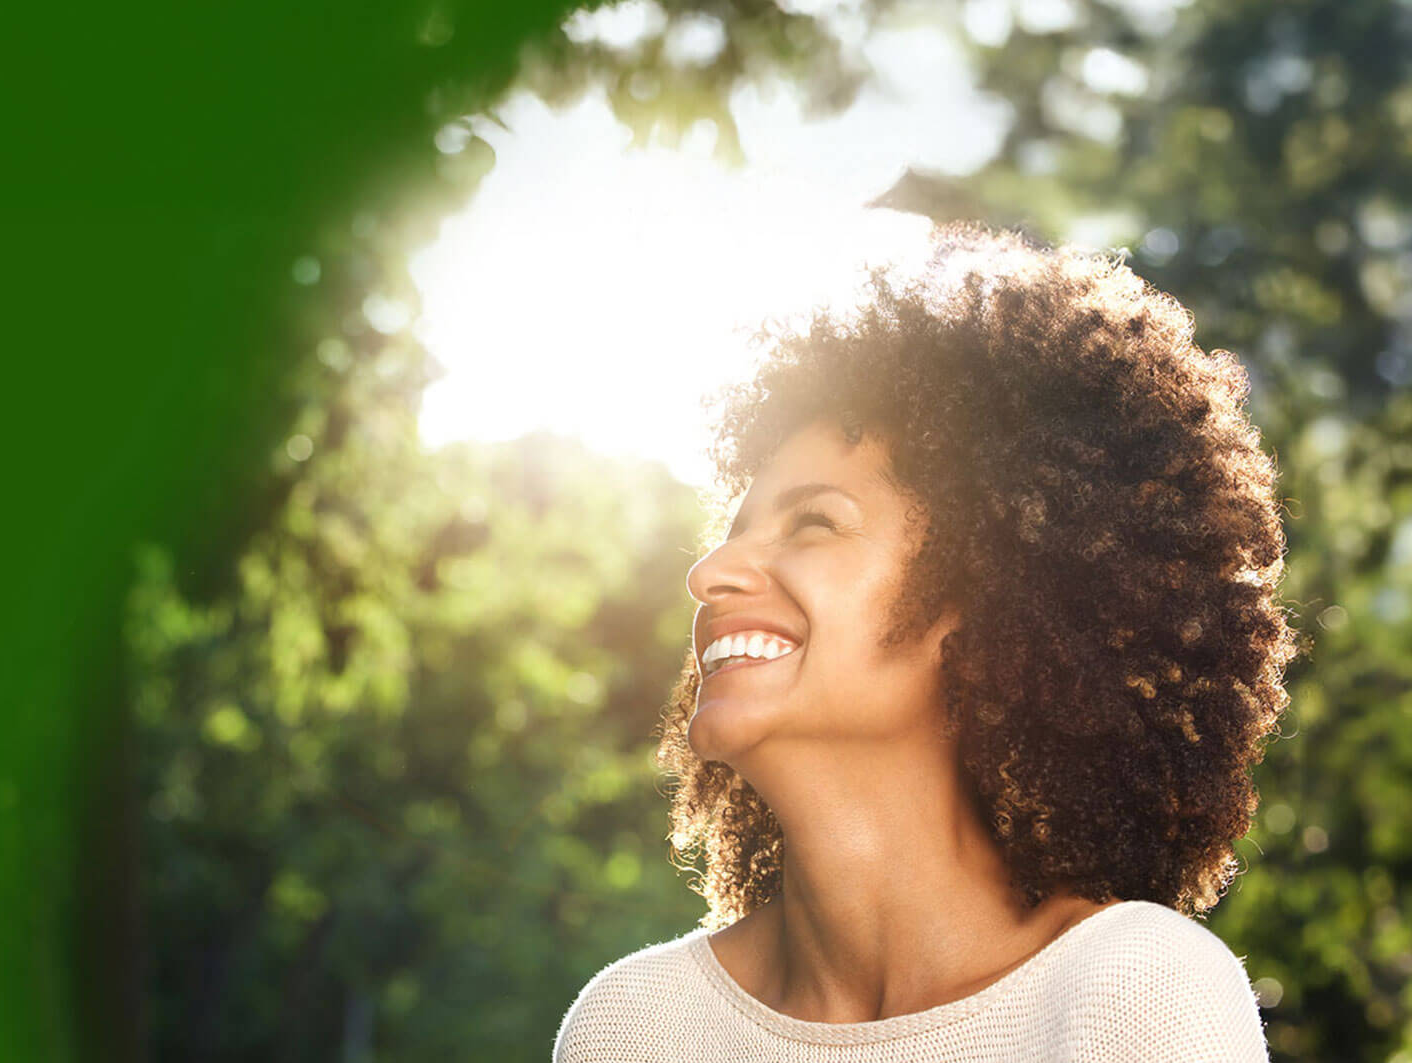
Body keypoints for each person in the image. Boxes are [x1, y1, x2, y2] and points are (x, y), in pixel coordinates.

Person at [553, 224, 1299, 1061]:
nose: (711, 571)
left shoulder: (1131, 990)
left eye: (814, 522)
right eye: (730, 533)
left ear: (986, 598)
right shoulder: (635, 1024)